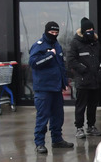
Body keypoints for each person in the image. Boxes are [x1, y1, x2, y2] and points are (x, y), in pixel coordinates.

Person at [28, 21, 74, 154]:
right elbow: (34, 63)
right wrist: (50, 55)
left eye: (56, 33)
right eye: (52, 32)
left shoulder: (57, 45)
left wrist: (64, 82)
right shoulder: (39, 46)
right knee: (42, 117)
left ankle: (57, 140)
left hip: (56, 88)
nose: (54, 35)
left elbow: (60, 66)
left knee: (58, 116)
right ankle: (39, 143)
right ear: (46, 31)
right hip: (43, 89)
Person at [65, 17, 101, 139]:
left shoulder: (96, 42)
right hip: (82, 80)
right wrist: (83, 69)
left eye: (92, 29)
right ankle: (79, 127)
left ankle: (91, 126)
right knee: (81, 105)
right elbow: (71, 60)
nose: (90, 31)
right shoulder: (75, 43)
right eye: (88, 29)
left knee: (93, 105)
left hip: (95, 80)